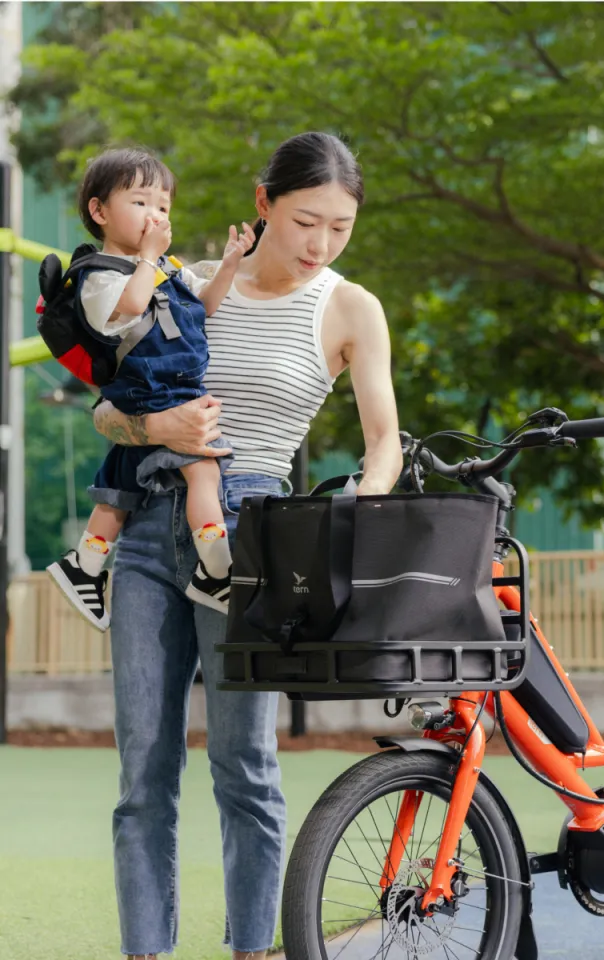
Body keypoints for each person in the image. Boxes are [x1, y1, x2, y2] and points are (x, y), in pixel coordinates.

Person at [91, 131, 403, 960]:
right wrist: (154, 423)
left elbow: (384, 443)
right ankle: (146, 951)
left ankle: (252, 950)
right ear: (263, 203)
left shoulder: (348, 307)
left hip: (253, 541)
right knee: (143, 778)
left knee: (246, 766)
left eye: (340, 227)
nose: (320, 244)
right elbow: (105, 413)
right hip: (152, 529)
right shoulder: (183, 283)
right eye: (306, 221)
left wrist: (363, 513)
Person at [45, 148, 257, 629]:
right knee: (203, 468)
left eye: (163, 206)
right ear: (100, 212)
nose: (155, 216)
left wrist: (227, 265)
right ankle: (216, 571)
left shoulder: (165, 265)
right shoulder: (98, 274)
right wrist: (146, 258)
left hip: (167, 387)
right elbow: (129, 305)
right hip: (148, 390)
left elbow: (202, 307)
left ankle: (84, 564)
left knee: (119, 490)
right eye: (141, 203)